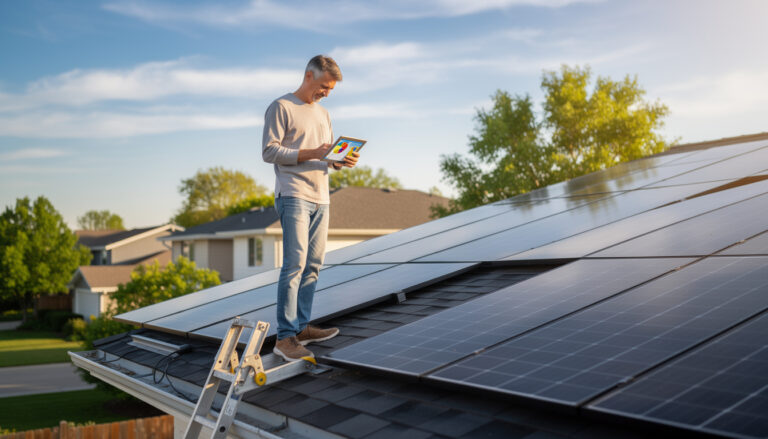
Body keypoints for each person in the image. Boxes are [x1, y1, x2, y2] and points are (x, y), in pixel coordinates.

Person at [262, 55, 359, 361]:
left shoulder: (324, 114)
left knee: (314, 264)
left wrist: (339, 161)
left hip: (321, 197)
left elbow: (324, 156)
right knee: (295, 264)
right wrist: (312, 153)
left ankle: (302, 327)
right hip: (294, 195)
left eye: (330, 89)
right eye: (323, 86)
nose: (326, 93)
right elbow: (269, 151)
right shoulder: (281, 107)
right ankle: (285, 337)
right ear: (308, 76)